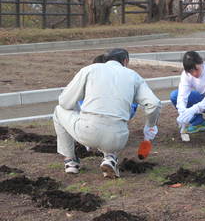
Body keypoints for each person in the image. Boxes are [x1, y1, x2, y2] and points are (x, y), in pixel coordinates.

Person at [53, 48, 161, 178]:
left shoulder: (89, 70)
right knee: (114, 122)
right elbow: (154, 104)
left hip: (87, 132)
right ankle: (110, 157)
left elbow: (65, 102)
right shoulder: (133, 76)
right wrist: (150, 125)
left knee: (59, 110)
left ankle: (70, 161)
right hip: (118, 139)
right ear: (126, 61)